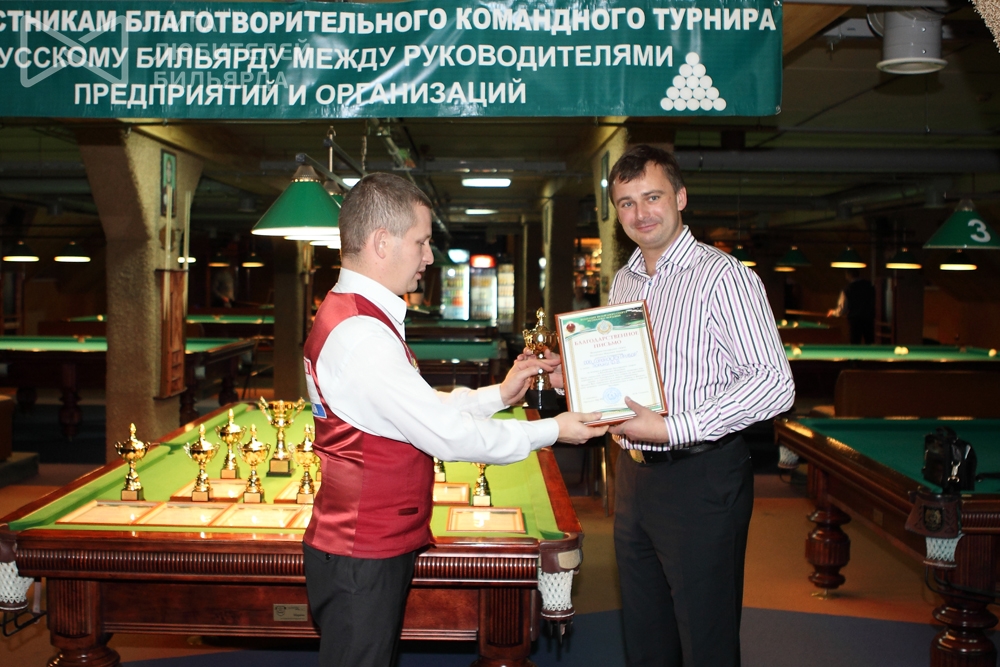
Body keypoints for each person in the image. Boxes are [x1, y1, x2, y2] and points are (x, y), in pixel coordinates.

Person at [301, 172, 608, 667]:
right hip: (361, 552)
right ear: (381, 243)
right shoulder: (360, 335)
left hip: (366, 547)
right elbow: (444, 434)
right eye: (421, 242)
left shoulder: (356, 315)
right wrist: (555, 430)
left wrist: (499, 394)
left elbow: (417, 412)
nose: (428, 257)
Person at [536, 145, 794, 666]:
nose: (641, 213)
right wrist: (572, 383)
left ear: (680, 197)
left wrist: (676, 428)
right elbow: (625, 384)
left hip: (703, 478)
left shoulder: (724, 277)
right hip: (635, 477)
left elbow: (774, 384)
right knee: (646, 636)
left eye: (652, 197)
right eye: (626, 203)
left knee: (705, 640)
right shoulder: (627, 278)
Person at [827, 268, 876, 344]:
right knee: (870, 342)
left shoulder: (847, 289)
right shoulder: (869, 286)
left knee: (855, 343)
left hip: (855, 321)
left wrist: (833, 312)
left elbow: (842, 309)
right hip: (869, 319)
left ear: (849, 275)